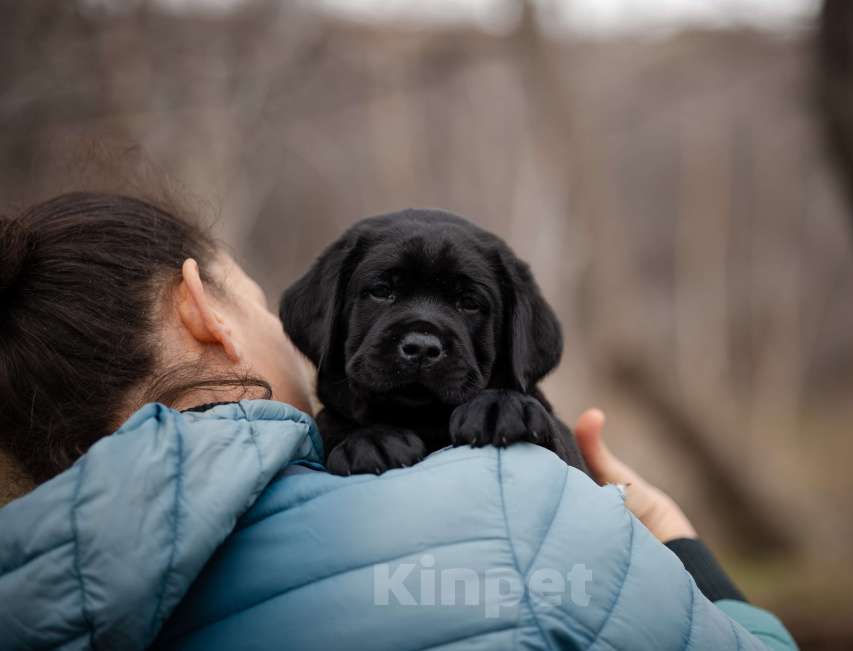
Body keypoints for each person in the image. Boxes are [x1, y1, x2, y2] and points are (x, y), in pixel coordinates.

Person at [0, 192, 797, 650]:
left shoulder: (38, 597)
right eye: (382, 292)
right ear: (203, 311)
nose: (420, 331)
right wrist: (676, 539)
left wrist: (527, 417)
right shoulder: (522, 512)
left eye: (464, 304)